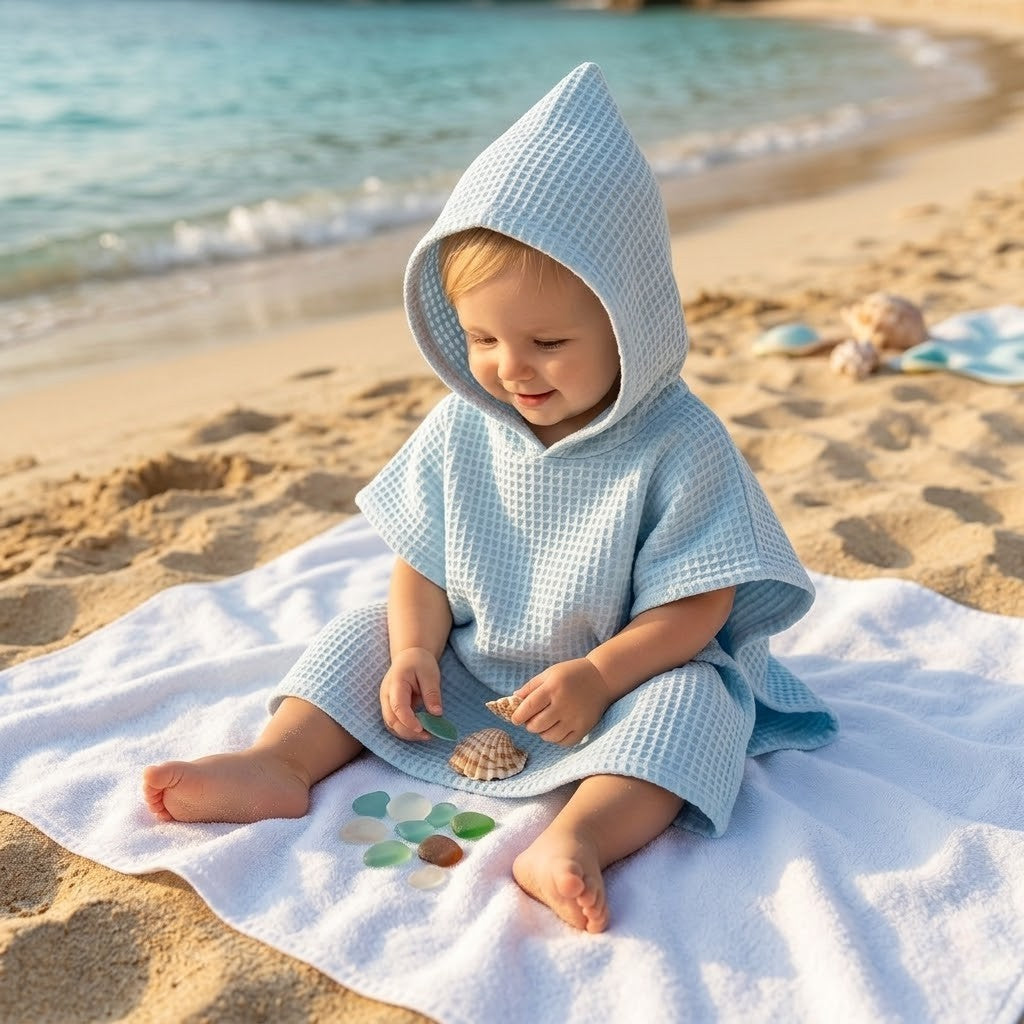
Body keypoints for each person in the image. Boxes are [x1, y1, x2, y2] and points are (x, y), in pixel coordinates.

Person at [143, 63, 837, 933]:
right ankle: (278, 763)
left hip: (620, 675)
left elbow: (702, 602)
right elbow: (422, 562)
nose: (512, 367)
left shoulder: (677, 442)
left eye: (548, 340)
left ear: (629, 321)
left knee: (696, 708)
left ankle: (576, 838)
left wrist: (597, 675)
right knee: (363, 634)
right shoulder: (464, 425)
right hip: (473, 661)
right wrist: (414, 649)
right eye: (481, 337)